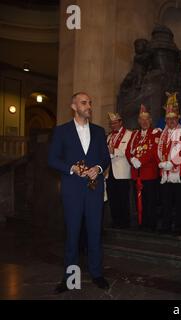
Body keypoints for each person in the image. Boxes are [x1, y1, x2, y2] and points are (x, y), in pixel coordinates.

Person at [48, 92, 111, 293]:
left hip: (94, 190)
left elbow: (105, 158)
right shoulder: (61, 131)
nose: (89, 106)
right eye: (84, 103)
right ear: (74, 106)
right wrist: (71, 168)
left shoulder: (100, 131)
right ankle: (70, 278)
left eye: (90, 103)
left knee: (94, 233)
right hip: (72, 190)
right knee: (72, 234)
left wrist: (98, 169)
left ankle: (97, 274)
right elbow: (52, 159)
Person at [157, 94, 181, 236]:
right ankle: (166, 225)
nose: (170, 121)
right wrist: (162, 164)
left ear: (178, 119)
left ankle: (179, 226)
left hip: (179, 172)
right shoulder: (163, 134)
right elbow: (157, 150)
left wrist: (172, 163)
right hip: (165, 172)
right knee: (166, 201)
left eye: (173, 119)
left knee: (179, 201)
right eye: (168, 119)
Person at [125, 105, 161, 231]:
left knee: (150, 200)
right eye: (141, 119)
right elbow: (128, 150)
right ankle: (142, 222)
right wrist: (132, 159)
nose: (144, 122)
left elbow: (154, 151)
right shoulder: (135, 134)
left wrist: (141, 160)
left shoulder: (156, 133)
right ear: (139, 121)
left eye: (146, 119)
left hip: (149, 173)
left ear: (150, 120)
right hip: (136, 173)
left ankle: (151, 224)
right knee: (138, 200)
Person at [105, 112, 132, 228]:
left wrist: (113, 152)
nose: (113, 125)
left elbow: (127, 151)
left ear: (121, 122)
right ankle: (115, 220)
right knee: (112, 197)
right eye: (111, 123)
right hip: (109, 171)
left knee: (123, 198)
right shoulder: (109, 136)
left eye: (115, 123)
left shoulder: (129, 134)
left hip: (122, 171)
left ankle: (125, 222)